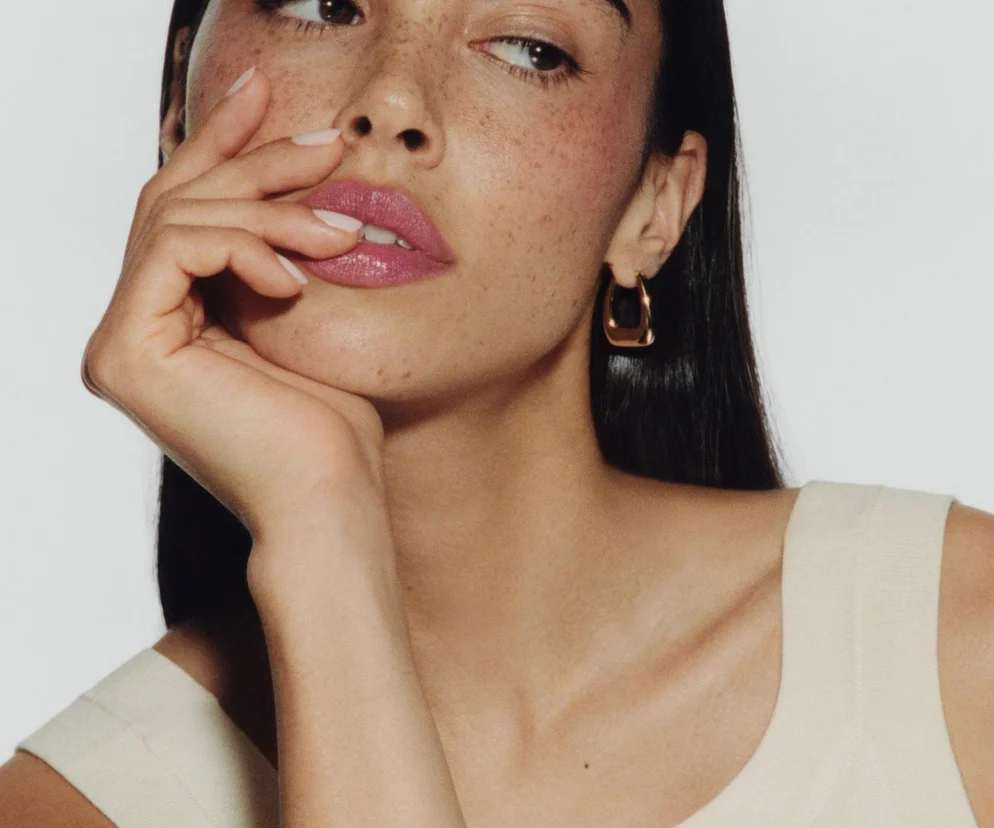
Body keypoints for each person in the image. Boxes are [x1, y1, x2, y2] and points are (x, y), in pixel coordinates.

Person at [2, 0, 992, 825]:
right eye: (324, 5)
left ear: (655, 205)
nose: (392, 101)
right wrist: (321, 531)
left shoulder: (954, 650)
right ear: (178, 107)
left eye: (529, 48)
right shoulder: (72, 806)